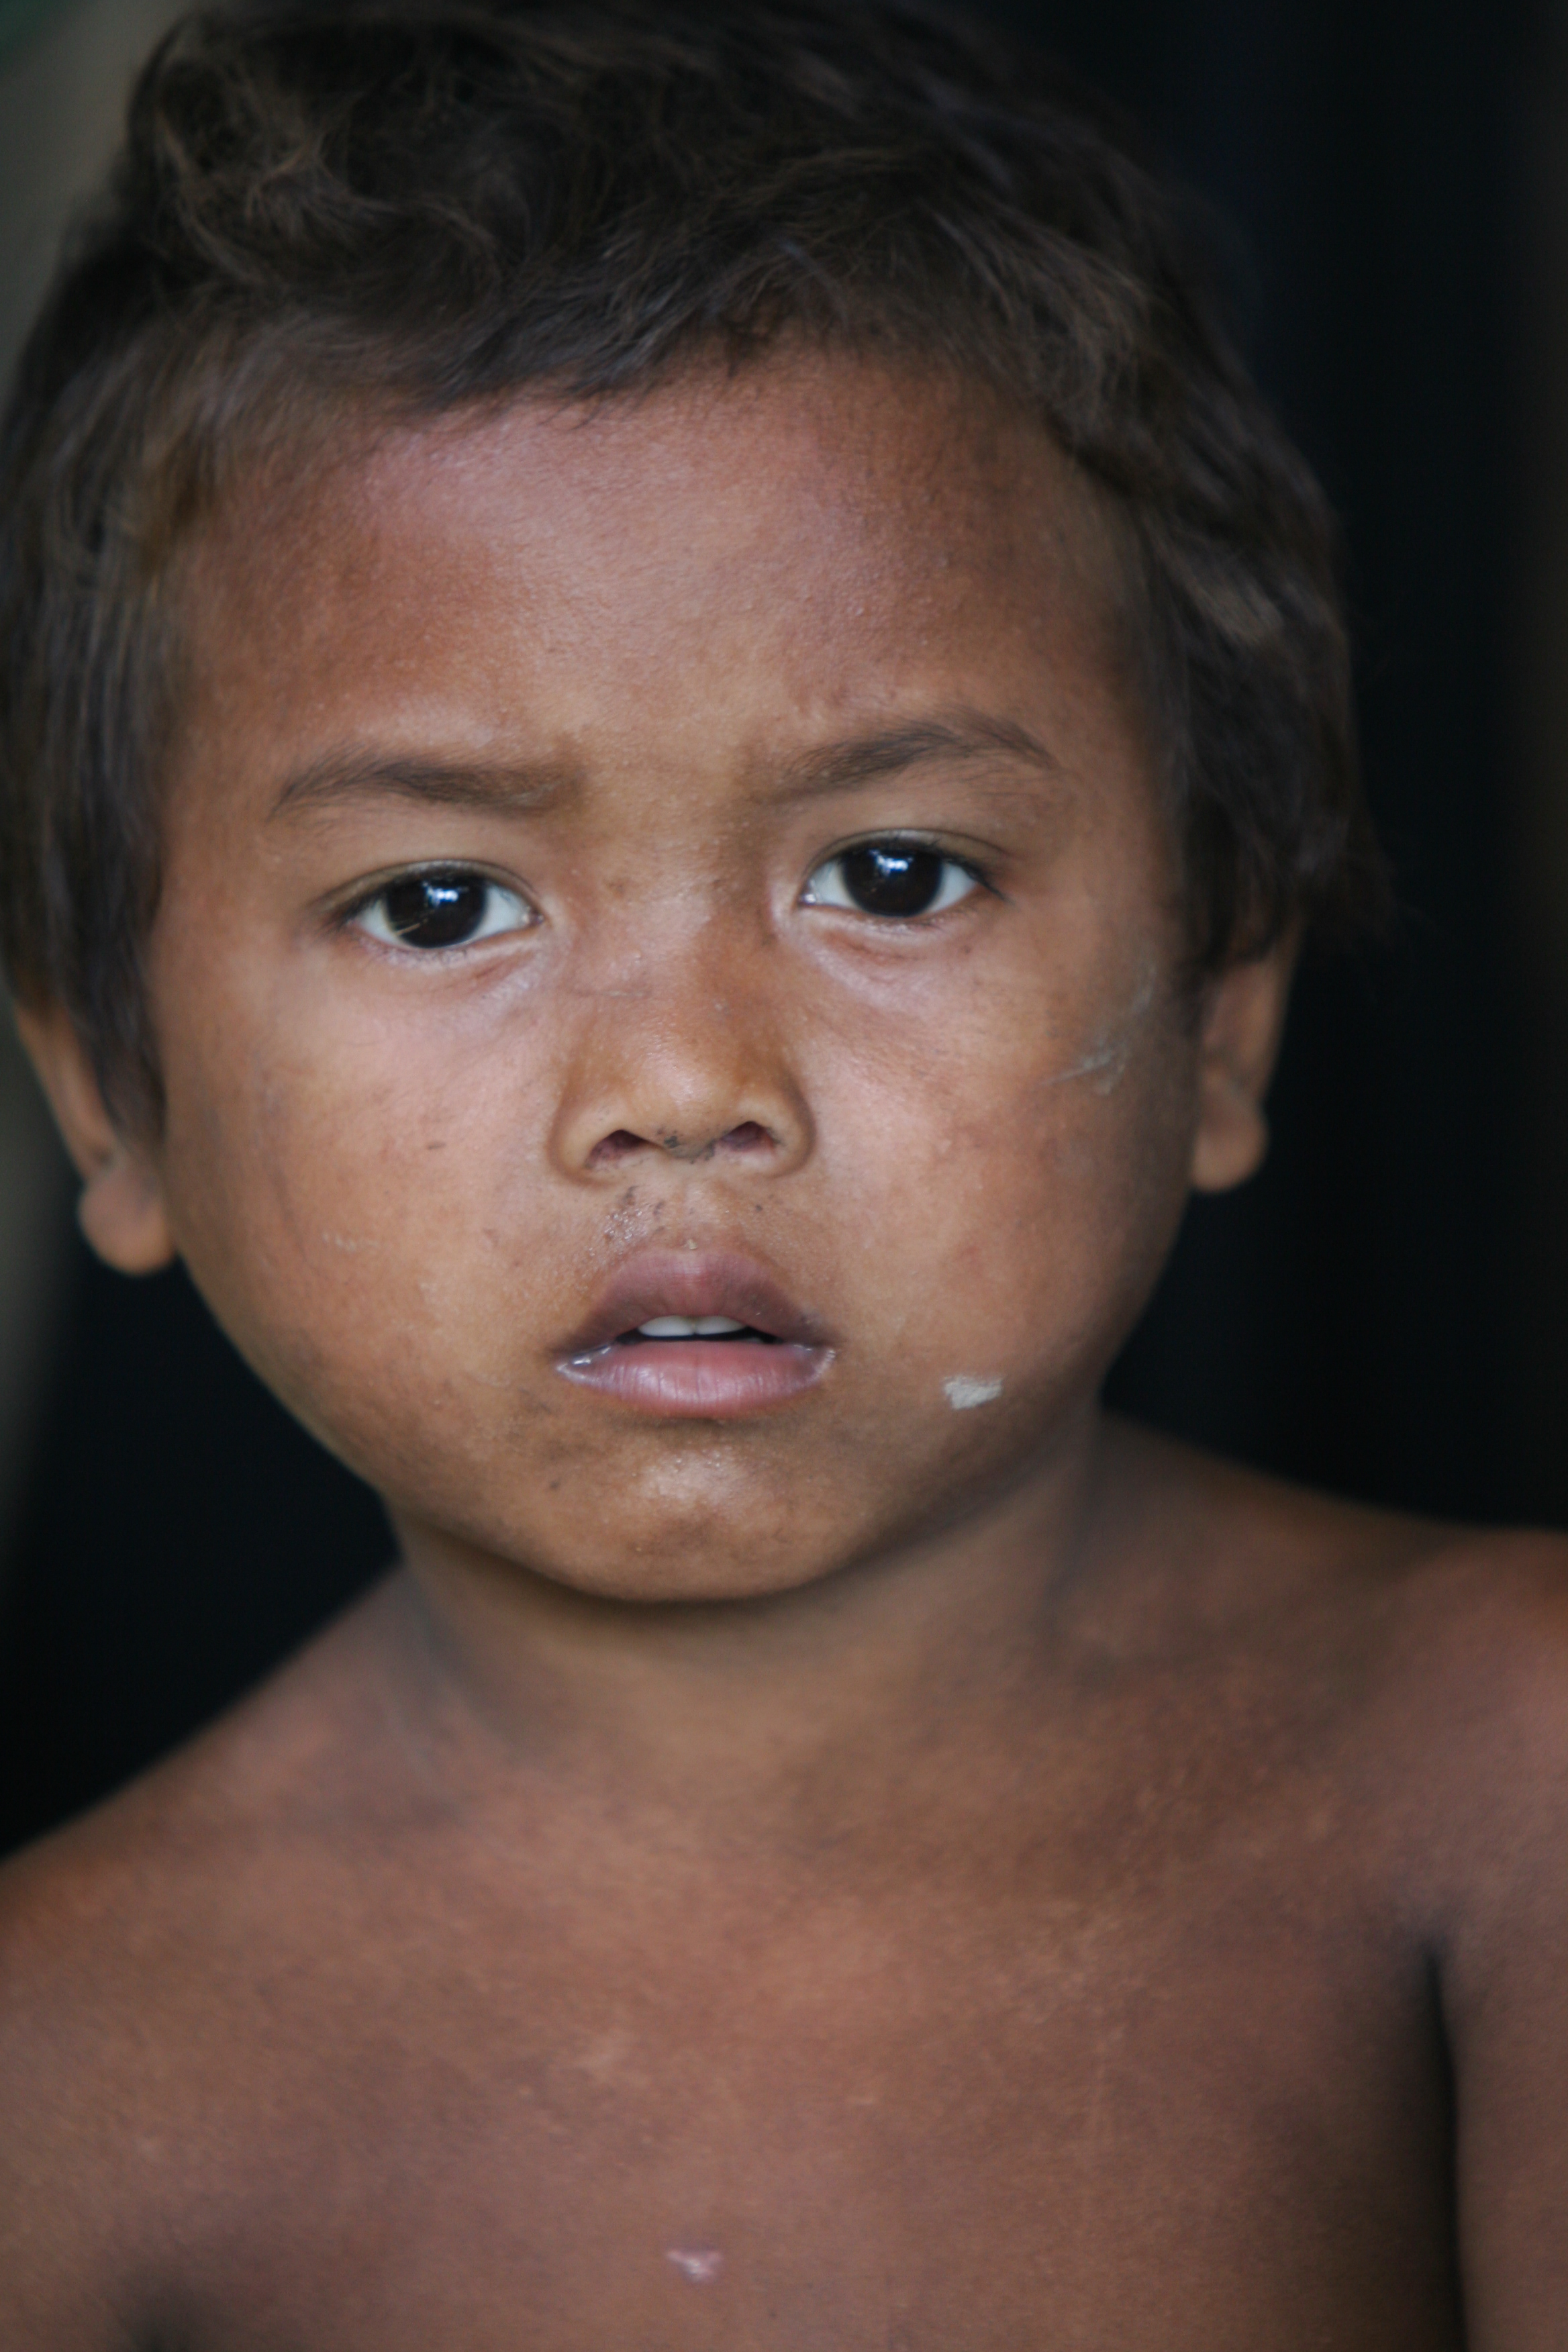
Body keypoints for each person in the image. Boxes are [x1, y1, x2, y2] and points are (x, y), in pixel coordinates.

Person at [0, 1, 1559, 2341]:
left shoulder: (1499, 1775)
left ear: (1221, 1013)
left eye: (898, 873)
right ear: (109, 1096)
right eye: (442, 903)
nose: (685, 1080)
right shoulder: (72, 2078)